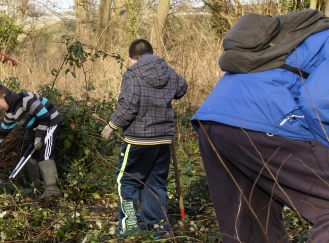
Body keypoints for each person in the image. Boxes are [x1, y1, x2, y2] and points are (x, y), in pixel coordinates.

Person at [192, 16, 329, 242]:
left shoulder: (309, 36)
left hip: (214, 120)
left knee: (250, 225)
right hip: (265, 119)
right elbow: (319, 101)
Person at [100, 39, 187, 239]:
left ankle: (130, 226)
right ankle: (159, 228)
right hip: (164, 139)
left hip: (139, 139)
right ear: (151, 53)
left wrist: (112, 125)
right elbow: (182, 88)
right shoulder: (167, 70)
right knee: (154, 183)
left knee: (126, 182)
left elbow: (129, 106)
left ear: (132, 58)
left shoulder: (133, 74)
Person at [0, 83, 63, 199]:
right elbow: (3, 131)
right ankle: (35, 186)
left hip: (51, 122)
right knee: (27, 155)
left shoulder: (25, 100)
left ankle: (52, 188)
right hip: (38, 127)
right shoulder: (10, 112)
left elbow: (45, 116)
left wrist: (39, 137)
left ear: (4, 96)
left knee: (45, 152)